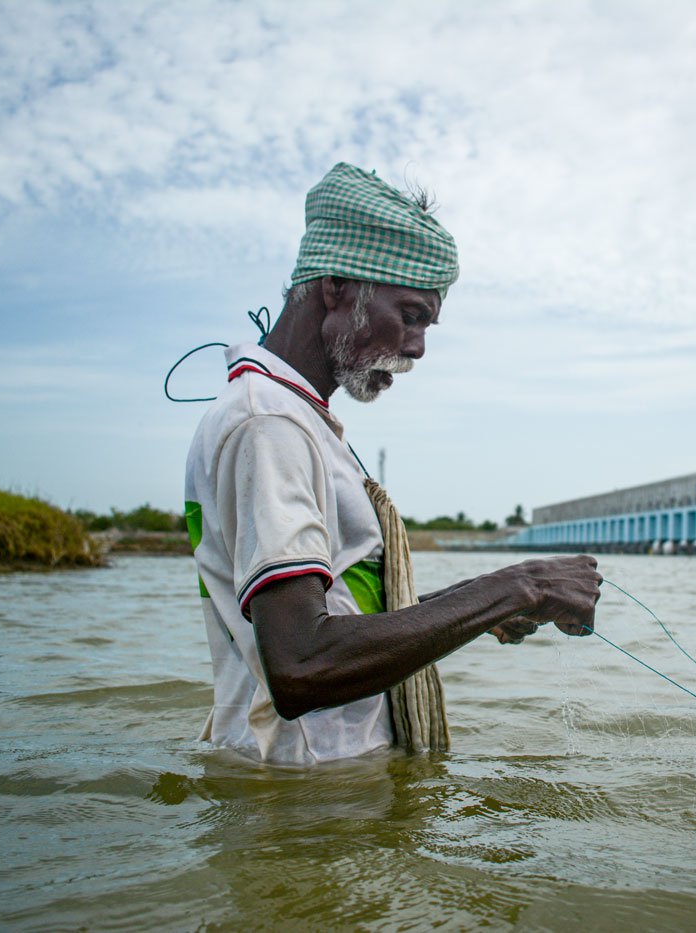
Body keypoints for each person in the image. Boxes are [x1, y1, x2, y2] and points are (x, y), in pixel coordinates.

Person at [184, 163, 601, 766]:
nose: (418, 347)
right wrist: (518, 585)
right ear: (337, 288)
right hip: (309, 797)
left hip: (326, 785)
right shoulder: (269, 424)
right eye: (409, 316)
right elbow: (303, 664)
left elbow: (339, 612)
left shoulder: (293, 418)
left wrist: (480, 608)